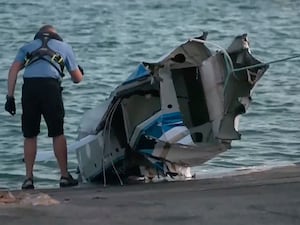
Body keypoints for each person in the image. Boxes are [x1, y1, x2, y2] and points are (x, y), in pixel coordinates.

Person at [5, 25, 84, 189]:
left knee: (30, 134)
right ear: (57, 36)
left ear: (38, 36)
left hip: (29, 88)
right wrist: (79, 72)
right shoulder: (64, 47)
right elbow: (77, 79)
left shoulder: (27, 47)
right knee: (57, 133)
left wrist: (10, 97)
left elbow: (13, 70)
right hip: (50, 88)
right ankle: (64, 176)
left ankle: (28, 178)